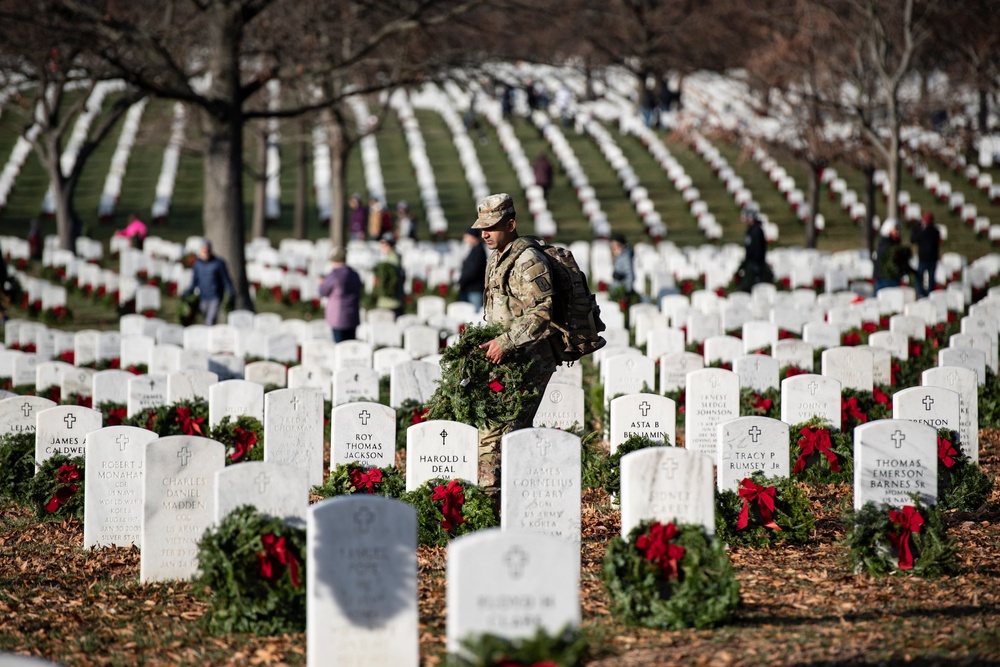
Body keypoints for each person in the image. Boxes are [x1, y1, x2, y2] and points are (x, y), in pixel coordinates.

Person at [473, 193, 556, 506]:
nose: (485, 233)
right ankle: (494, 505)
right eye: (482, 226)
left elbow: (542, 312)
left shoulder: (528, 261)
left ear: (511, 223)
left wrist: (505, 342)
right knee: (495, 429)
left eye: (492, 226)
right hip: (505, 358)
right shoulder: (498, 256)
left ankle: (502, 505)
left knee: (504, 430)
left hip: (528, 359)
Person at [182, 239, 235, 326]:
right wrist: (187, 293)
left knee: (210, 321)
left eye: (207, 251)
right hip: (203, 296)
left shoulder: (218, 263)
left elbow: (225, 280)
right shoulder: (197, 265)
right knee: (205, 318)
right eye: (204, 251)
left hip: (215, 296)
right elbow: (194, 282)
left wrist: (230, 292)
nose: (206, 254)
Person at [319, 246, 362, 342]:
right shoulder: (354, 274)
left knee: (340, 346)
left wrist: (321, 283)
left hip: (338, 316)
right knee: (350, 344)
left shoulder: (334, 275)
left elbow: (322, 291)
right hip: (352, 315)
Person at [874, 219, 911, 293]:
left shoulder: (891, 244)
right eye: (896, 229)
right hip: (887, 279)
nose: (898, 232)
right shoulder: (886, 244)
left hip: (890, 278)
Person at [911, 211, 941, 297]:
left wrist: (919, 227)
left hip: (926, 259)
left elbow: (914, 239)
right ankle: (928, 293)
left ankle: (922, 293)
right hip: (929, 259)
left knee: (921, 277)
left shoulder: (926, 232)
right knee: (929, 279)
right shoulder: (935, 231)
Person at [375, 232, 405, 317]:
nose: (381, 246)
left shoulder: (393, 259)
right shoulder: (390, 257)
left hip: (391, 302)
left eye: (383, 243)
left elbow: (390, 280)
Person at [457, 226, 487, 310]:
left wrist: (462, 280)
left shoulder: (479, 251)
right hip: (469, 288)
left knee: (475, 315)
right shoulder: (474, 249)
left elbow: (473, 270)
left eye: (467, 236)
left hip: (474, 288)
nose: (465, 238)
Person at [740, 205, 768, 292]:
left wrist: (757, 264)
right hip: (750, 263)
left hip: (755, 264)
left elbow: (758, 249)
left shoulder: (757, 231)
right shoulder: (751, 230)